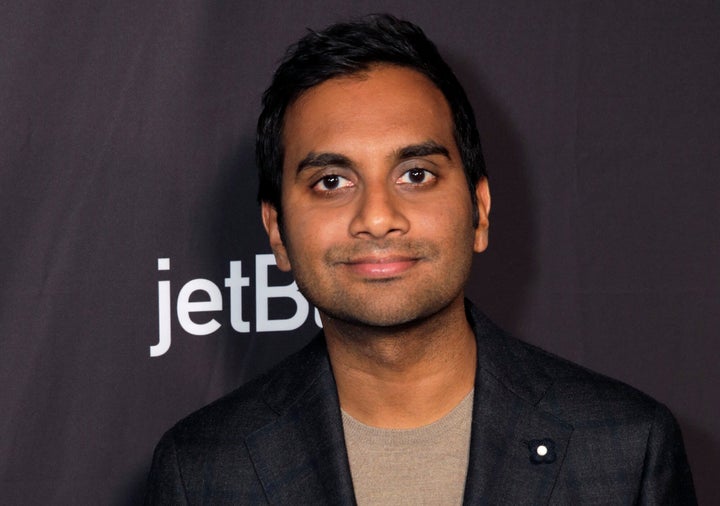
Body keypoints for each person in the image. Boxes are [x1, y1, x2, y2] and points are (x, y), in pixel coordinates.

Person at [145, 14, 696, 505]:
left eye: (416, 175)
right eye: (332, 182)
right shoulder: (202, 471)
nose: (378, 217)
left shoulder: (627, 451)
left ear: (479, 211)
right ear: (278, 233)